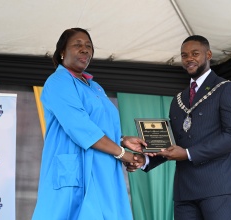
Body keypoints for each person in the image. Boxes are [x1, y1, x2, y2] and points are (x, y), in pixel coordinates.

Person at [126, 35, 231, 220]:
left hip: (217, 186)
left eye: (195, 53)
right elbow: (174, 142)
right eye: (184, 55)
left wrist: (188, 153)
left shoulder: (227, 88)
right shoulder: (178, 99)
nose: (189, 59)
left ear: (208, 54)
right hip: (184, 189)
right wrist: (144, 159)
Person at [32, 27, 146, 220]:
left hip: (103, 167)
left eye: (89, 46)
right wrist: (122, 154)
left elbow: (98, 124)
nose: (85, 50)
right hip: (76, 168)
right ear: (62, 52)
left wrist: (122, 140)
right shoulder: (58, 82)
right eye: (77, 45)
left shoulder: (94, 86)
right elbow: (80, 127)